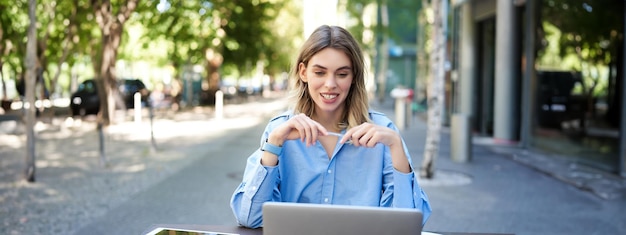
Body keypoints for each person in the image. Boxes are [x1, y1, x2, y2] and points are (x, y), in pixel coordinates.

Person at [230, 25, 432, 229]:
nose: (330, 84)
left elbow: (409, 224)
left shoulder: (382, 132)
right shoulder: (280, 130)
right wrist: (273, 145)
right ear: (303, 72)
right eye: (319, 72)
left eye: (342, 74)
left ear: (353, 77)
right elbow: (250, 217)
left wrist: (396, 147)